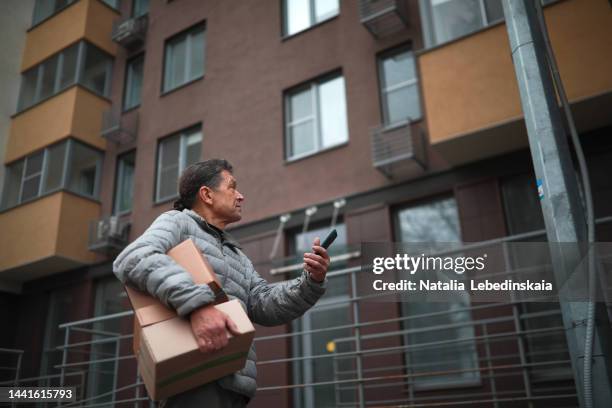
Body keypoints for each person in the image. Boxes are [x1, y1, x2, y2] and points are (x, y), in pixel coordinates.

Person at [113, 159, 330, 407]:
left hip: (234, 385)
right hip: (192, 378)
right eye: (232, 187)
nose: (241, 196)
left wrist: (312, 280)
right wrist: (198, 306)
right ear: (206, 194)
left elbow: (265, 304)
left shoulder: (237, 254)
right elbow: (133, 258)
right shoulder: (177, 222)